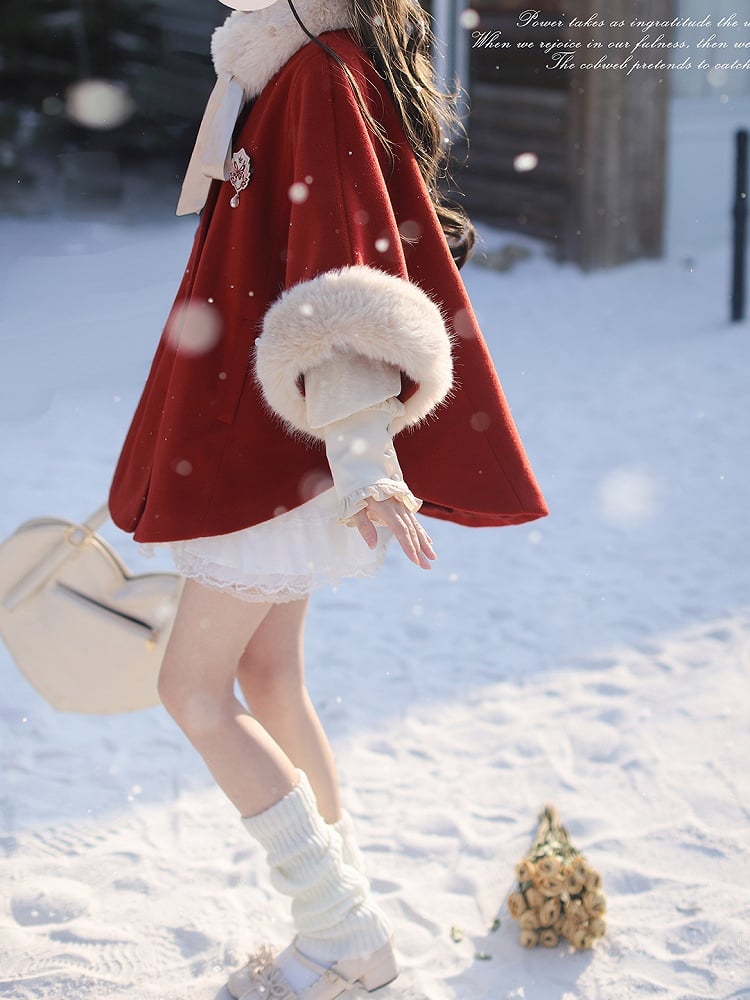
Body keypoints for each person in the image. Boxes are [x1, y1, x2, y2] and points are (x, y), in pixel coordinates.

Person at [108, 0, 548, 994]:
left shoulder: (317, 73)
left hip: (275, 449)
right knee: (269, 676)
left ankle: (345, 937)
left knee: (191, 689)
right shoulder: (304, 66)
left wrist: (360, 450)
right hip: (276, 438)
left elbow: (344, 272)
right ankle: (345, 915)